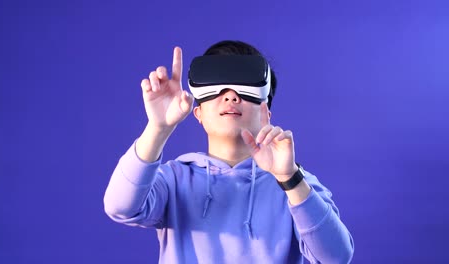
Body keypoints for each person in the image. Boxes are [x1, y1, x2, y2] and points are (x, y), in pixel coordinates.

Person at [104, 40, 354, 263]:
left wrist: (290, 179)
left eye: (244, 89)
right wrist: (158, 128)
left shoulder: (298, 185)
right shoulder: (174, 180)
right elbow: (120, 207)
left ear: (266, 114)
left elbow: (336, 257)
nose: (231, 96)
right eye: (218, 87)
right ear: (198, 113)